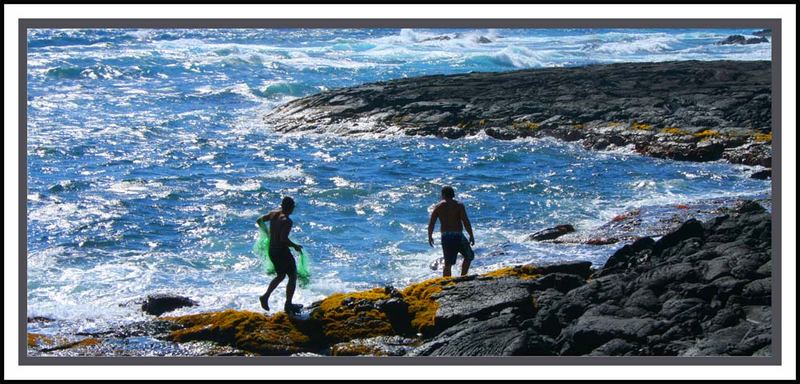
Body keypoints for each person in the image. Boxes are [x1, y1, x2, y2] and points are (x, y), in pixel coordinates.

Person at [256, 196, 303, 314]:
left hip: (272, 250)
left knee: (281, 275)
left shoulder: (273, 214)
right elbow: (283, 239)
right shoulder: (287, 221)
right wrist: (295, 246)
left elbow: (259, 220)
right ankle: (288, 305)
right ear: (291, 208)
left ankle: (265, 296)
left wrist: (267, 233)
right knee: (292, 275)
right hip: (281, 251)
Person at [427, 186, 475, 277]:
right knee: (469, 256)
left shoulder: (438, 206)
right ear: (453, 194)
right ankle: (463, 277)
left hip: (446, 236)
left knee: (448, 263)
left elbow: (431, 223)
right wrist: (471, 235)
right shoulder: (459, 205)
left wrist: (430, 236)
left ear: (443, 195)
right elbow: (465, 221)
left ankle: (446, 282)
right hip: (458, 235)